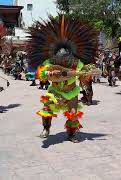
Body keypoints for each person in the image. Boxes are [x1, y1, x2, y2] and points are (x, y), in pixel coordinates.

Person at [28, 15, 99, 143]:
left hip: (71, 92)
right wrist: (49, 74)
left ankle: (71, 134)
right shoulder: (49, 62)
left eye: (66, 59)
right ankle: (46, 128)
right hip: (54, 91)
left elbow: (83, 76)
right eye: (61, 59)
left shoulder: (77, 63)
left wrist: (86, 83)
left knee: (73, 114)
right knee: (46, 109)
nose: (63, 61)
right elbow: (42, 75)